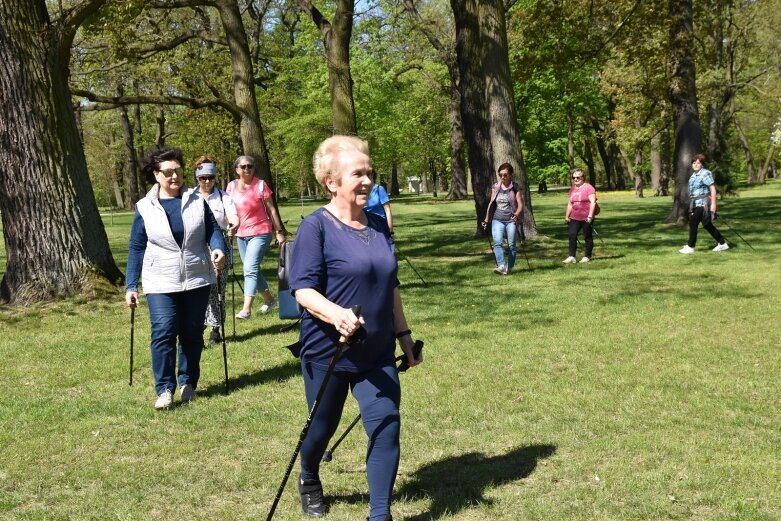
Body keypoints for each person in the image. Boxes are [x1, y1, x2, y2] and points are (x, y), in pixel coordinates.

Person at [288, 135, 422, 521]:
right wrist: (336, 314)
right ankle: (309, 476)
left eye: (370, 173)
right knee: (321, 429)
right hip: (329, 351)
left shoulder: (379, 225)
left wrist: (404, 336)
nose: (366, 180)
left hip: (376, 350)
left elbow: (389, 285)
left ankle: (379, 515)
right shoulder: (316, 228)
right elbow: (302, 290)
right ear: (332, 181)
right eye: (357, 174)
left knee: (386, 425)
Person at [125, 147, 226, 410]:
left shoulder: (196, 200)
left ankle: (188, 383)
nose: (175, 176)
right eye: (168, 172)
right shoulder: (145, 207)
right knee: (164, 331)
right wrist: (131, 285)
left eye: (178, 171)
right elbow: (136, 246)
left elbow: (213, 229)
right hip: (160, 279)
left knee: (192, 333)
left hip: (195, 277)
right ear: (156, 175)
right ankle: (165, 389)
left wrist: (218, 248)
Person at [226, 155, 286, 319]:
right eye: (243, 166)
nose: (247, 169)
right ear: (237, 169)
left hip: (261, 232)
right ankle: (270, 300)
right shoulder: (231, 186)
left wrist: (279, 232)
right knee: (251, 268)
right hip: (241, 234)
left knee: (250, 269)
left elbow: (272, 210)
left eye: (250, 166)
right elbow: (228, 209)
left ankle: (246, 309)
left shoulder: (260, 185)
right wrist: (229, 224)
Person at [193, 155, 239, 344]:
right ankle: (197, 326)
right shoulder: (190, 197)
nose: (207, 182)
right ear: (197, 178)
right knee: (200, 288)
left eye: (210, 178)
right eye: (203, 178)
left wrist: (234, 224)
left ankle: (215, 328)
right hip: (196, 246)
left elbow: (233, 215)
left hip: (219, 245)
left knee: (217, 287)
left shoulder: (223, 196)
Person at [679, 153, 729, 254]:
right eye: (694, 163)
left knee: (693, 222)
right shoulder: (693, 176)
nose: (696, 165)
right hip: (695, 203)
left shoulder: (705, 173)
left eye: (698, 163)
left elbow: (712, 188)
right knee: (707, 224)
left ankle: (690, 246)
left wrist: (714, 204)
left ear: (702, 164)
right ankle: (722, 243)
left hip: (704, 203)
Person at [481, 162, 524, 275]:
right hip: (497, 219)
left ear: (510, 175)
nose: (502, 177)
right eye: (500, 175)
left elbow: (520, 204)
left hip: (511, 220)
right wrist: (486, 219)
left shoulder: (515, 187)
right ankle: (501, 265)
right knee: (497, 242)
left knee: (511, 245)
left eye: (505, 175)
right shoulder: (495, 187)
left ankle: (510, 267)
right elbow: (491, 204)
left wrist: (517, 214)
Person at [563, 168, 596, 263]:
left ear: (583, 177)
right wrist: (567, 217)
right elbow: (570, 204)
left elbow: (593, 202)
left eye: (578, 177)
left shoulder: (589, 187)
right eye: (573, 177)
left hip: (586, 217)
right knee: (572, 235)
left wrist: (590, 216)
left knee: (587, 236)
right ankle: (572, 256)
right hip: (574, 217)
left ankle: (587, 256)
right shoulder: (572, 189)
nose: (575, 179)